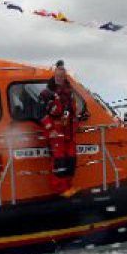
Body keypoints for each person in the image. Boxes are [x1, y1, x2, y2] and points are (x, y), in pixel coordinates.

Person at [38, 61, 79, 197]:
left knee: (71, 161)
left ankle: (68, 185)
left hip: (69, 133)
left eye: (62, 76)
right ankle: (59, 190)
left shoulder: (69, 92)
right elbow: (40, 113)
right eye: (58, 76)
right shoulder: (47, 93)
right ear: (55, 76)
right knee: (59, 162)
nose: (59, 78)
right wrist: (51, 130)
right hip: (56, 134)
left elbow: (73, 111)